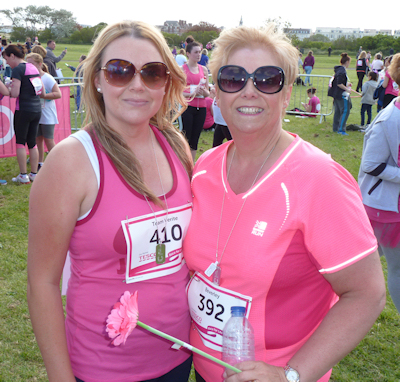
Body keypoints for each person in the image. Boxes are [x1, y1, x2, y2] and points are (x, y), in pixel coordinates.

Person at [182, 24, 385, 382]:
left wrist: (291, 375)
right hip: (204, 370)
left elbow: (366, 294)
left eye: (266, 79)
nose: (248, 91)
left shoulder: (320, 178)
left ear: (287, 92)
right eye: (233, 78)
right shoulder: (204, 167)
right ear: (216, 92)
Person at [27, 20, 194, 382]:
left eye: (152, 73)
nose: (137, 85)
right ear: (98, 80)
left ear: (166, 82)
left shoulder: (177, 146)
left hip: (180, 359)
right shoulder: (70, 162)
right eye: (120, 71)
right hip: (103, 369)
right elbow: (42, 282)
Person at [358, 53, 400, 313]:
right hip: (385, 209)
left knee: (368, 257)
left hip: (391, 207)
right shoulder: (389, 119)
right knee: (395, 267)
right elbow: (370, 164)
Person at [2, 44, 42, 184]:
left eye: (7, 59)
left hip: (23, 109)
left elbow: (15, 94)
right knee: (32, 142)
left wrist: (7, 87)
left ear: (13, 56)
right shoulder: (32, 66)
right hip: (36, 109)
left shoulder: (18, 69)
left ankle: (23, 175)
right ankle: (34, 174)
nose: (7, 63)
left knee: (20, 142)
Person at [26, 53, 61, 171]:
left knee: (49, 139)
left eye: (31, 64)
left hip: (48, 115)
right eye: (27, 64)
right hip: (36, 113)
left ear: (39, 64)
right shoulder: (30, 77)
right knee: (38, 140)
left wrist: (44, 95)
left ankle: (58, 163)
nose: (28, 66)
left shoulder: (47, 78)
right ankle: (40, 163)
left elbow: (58, 94)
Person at [181, 40, 210, 161]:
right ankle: (183, 164)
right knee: (186, 139)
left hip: (201, 108)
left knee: (195, 140)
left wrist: (203, 92)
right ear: (188, 53)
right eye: (196, 52)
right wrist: (192, 93)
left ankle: (191, 167)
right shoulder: (182, 69)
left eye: (200, 52)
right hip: (188, 107)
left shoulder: (203, 69)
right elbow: (178, 91)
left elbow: (208, 93)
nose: (199, 55)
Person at [331, 53, 352, 135]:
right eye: (349, 62)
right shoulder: (342, 71)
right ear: (346, 62)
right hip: (341, 94)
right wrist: (347, 89)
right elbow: (339, 83)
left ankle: (335, 128)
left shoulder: (339, 70)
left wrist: (347, 84)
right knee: (345, 111)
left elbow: (339, 82)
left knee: (338, 111)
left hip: (336, 94)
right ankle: (341, 129)